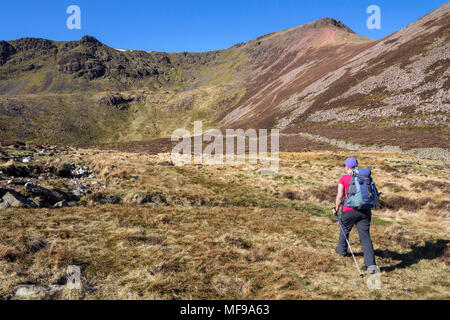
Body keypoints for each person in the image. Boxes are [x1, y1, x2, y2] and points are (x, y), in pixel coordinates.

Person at [332, 157, 377, 274]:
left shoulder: (344, 178)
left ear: (347, 167)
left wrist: (336, 208)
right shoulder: (366, 177)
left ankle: (341, 251)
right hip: (365, 211)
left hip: (349, 210)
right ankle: (371, 265)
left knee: (344, 229)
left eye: (345, 165)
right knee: (365, 237)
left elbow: (340, 196)